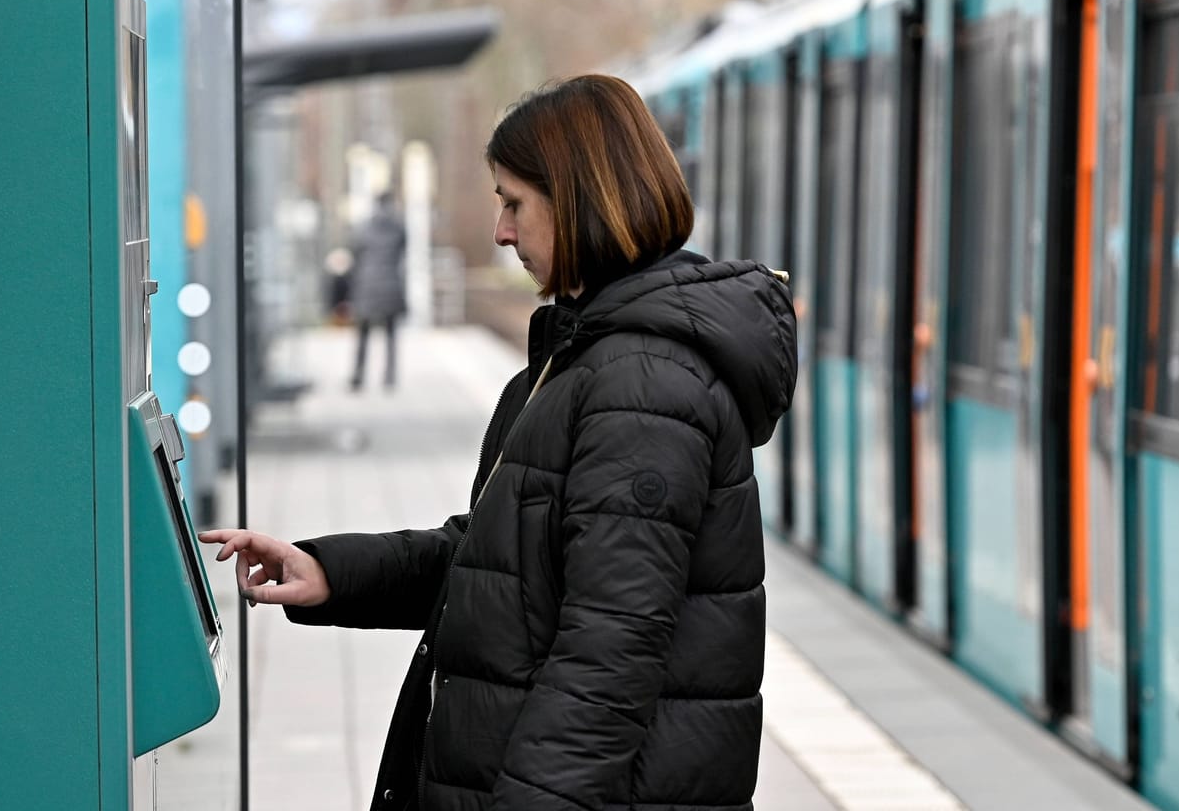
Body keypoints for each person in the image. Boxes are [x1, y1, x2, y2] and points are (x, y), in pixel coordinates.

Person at [201, 74, 795, 811]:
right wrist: (331, 570)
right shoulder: (588, 357)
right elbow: (504, 564)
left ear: (580, 200)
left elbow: (607, 657)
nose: (500, 231)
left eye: (514, 203)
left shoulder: (644, 385)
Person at [350, 192, 408, 391]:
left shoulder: (363, 228)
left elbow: (355, 253)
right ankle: (389, 377)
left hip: (367, 285)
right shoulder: (398, 227)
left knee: (362, 333)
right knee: (391, 334)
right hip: (391, 285)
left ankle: (358, 375)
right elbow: (402, 251)